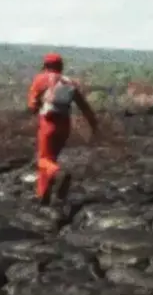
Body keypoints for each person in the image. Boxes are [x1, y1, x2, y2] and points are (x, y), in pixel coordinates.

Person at [26, 52, 99, 205]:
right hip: (65, 125)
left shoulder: (41, 79)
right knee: (51, 159)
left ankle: (59, 174)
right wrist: (94, 126)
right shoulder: (69, 82)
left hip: (48, 124)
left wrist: (37, 105)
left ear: (46, 66)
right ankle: (43, 196)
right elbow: (84, 107)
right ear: (61, 66)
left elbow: (32, 106)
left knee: (44, 160)